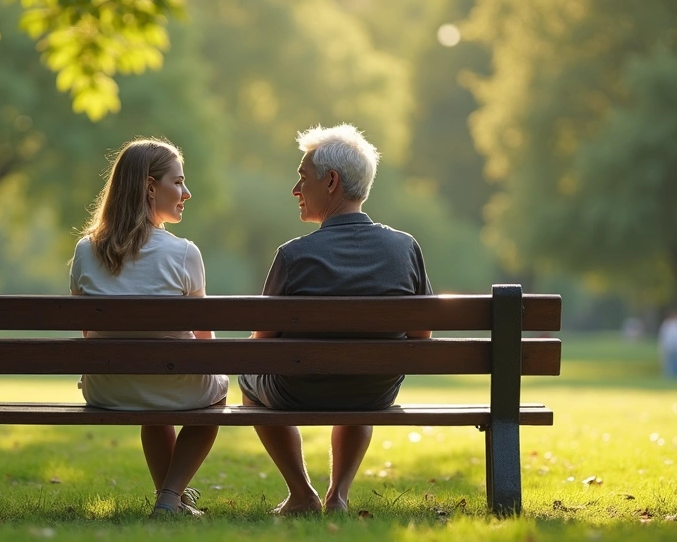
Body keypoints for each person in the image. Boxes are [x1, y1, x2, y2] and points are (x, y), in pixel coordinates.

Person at [239, 124, 433, 515]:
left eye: (302, 178)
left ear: (331, 181)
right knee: (362, 372)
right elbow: (421, 334)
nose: (296, 190)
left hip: (297, 391)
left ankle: (301, 493)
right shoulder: (405, 248)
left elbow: (260, 346)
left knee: (248, 380)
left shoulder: (293, 256)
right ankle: (338, 496)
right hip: (373, 392)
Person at [69, 138, 227, 516]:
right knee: (213, 397)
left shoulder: (85, 251)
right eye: (178, 182)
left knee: (158, 395)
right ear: (150, 187)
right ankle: (170, 497)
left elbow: (86, 334)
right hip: (173, 386)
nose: (186, 193)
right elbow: (205, 342)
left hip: (107, 389)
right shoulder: (185, 252)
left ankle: (170, 501)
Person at [657, 308, 677, 379]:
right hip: (669, 346)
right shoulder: (667, 324)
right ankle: (670, 375)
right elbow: (663, 336)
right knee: (670, 361)